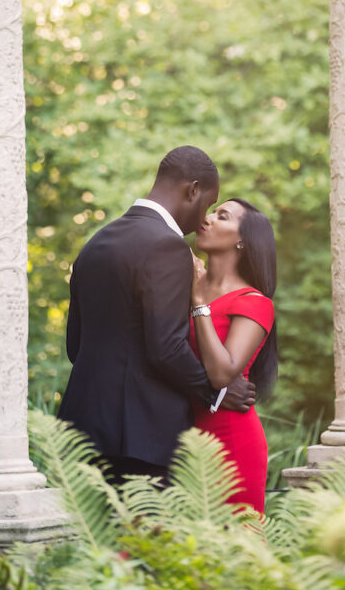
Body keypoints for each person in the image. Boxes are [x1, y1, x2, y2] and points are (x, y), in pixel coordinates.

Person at [57, 146, 255, 482]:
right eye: (207, 203)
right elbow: (166, 347)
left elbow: (75, 347)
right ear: (192, 190)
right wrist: (217, 392)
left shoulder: (95, 244)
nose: (204, 217)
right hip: (140, 441)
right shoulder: (167, 245)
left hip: (81, 434)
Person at [189, 197, 277, 513]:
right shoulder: (180, 285)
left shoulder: (254, 302)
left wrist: (198, 301)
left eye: (222, 216)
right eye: (212, 211)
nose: (208, 218)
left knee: (236, 546)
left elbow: (222, 373)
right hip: (179, 433)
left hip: (230, 438)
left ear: (243, 240)